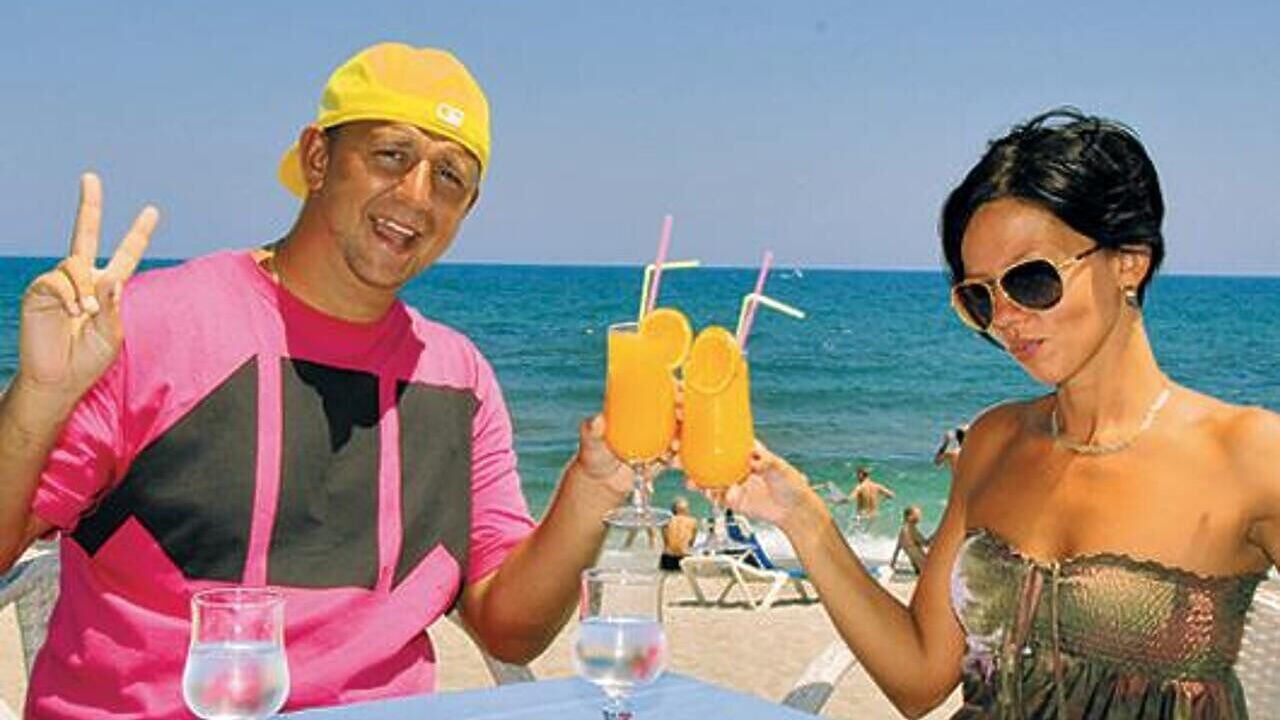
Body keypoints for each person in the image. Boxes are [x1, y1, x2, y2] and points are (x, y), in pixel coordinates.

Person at [0, 43, 634, 719]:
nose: (417, 195)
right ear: (317, 158)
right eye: (391, 154)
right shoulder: (151, 326)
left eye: (450, 176)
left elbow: (510, 628)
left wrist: (594, 486)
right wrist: (40, 396)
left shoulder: (460, 379)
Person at [727, 109, 1280, 718]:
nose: (1006, 318)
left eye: (1030, 279)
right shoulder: (994, 439)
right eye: (979, 296)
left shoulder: (1250, 456)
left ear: (1129, 260)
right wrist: (801, 515)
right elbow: (919, 678)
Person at [659, 497, 699, 571]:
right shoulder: (693, 522)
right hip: (684, 557)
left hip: (668, 557)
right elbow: (691, 543)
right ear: (685, 510)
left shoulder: (667, 522)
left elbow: (666, 542)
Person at [890, 505, 929, 574]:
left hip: (917, 566)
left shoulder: (903, 530)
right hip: (925, 566)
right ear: (909, 517)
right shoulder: (911, 530)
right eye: (917, 514)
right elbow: (926, 543)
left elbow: (898, 548)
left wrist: (893, 562)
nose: (920, 517)